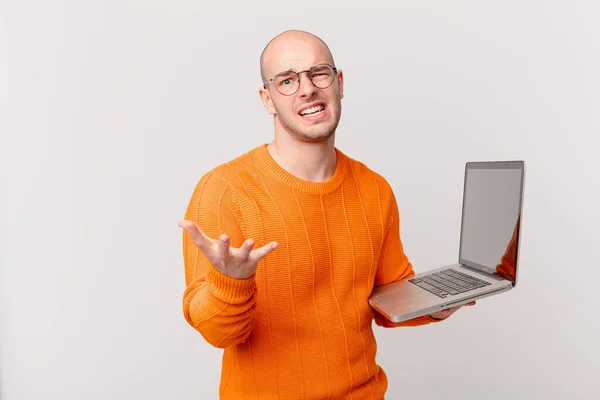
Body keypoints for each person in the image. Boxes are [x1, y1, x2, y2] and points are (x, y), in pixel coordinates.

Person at [179, 30, 474, 400]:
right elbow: (217, 333)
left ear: (339, 83)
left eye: (318, 73)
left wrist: (439, 302)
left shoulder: (374, 188)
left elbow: (386, 295)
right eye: (287, 80)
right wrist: (232, 281)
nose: (307, 89)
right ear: (267, 100)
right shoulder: (225, 189)